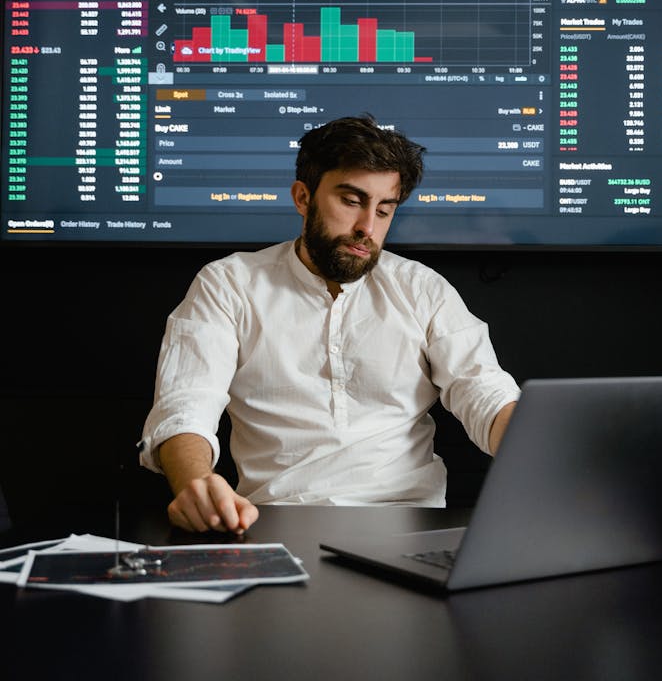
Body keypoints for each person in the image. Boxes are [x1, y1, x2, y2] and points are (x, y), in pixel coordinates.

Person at [140, 114, 520, 533]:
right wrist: (195, 483)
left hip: (410, 524)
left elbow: (484, 391)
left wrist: (538, 450)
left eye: (384, 210)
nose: (367, 228)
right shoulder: (229, 283)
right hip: (275, 523)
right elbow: (185, 407)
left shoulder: (422, 289)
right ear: (303, 198)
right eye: (352, 201)